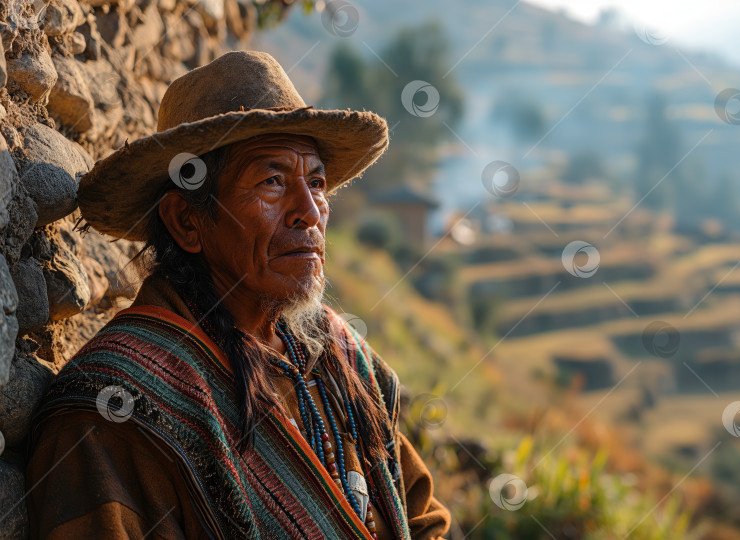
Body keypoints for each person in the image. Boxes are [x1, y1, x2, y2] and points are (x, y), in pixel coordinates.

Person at [25, 50, 451, 539]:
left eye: (317, 183)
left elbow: (421, 517)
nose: (309, 211)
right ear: (187, 221)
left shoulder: (339, 358)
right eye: (272, 181)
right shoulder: (114, 409)